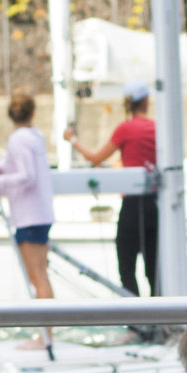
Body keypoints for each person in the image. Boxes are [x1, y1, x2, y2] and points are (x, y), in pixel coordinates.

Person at [72, 83, 159, 294]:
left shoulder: (125, 129)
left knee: (126, 265)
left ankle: (136, 320)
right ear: (146, 102)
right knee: (153, 268)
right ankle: (160, 318)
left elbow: (95, 158)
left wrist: (73, 140)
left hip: (131, 204)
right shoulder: (157, 128)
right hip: (154, 204)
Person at [0, 91, 56, 300]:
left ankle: (46, 332)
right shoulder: (36, 136)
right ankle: (45, 331)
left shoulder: (18, 139)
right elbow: (17, 164)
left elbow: (27, 176)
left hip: (29, 217)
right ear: (32, 113)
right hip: (41, 213)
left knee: (37, 278)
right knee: (40, 275)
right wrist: (0, 168)